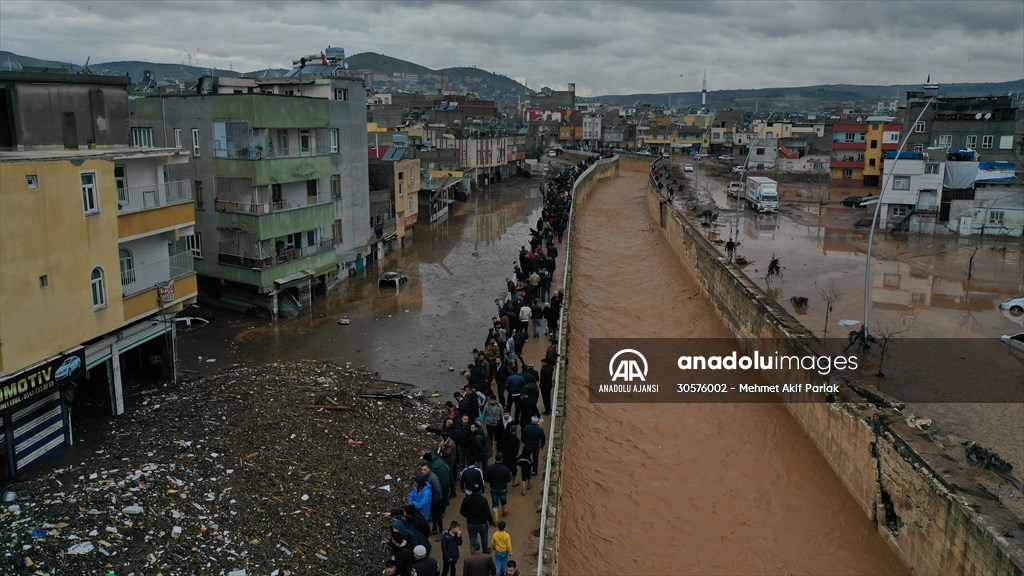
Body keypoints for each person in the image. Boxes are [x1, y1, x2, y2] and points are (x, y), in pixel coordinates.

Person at [460, 485, 495, 554]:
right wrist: (491, 522)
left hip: (471, 523)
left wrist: (468, 516)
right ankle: (485, 550)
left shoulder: (466, 499)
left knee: (473, 538)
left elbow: (462, 512)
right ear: (480, 491)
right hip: (482, 523)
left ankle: (473, 551)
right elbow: (488, 513)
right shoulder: (483, 500)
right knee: (484, 538)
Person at [484, 453, 513, 519]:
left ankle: (496, 520)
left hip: (493, 488)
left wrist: (491, 481)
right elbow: (509, 479)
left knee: (495, 505)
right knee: (504, 501)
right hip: (503, 488)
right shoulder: (505, 468)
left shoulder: (490, 467)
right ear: (502, 459)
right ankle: (505, 513)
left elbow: (485, 478)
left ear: (495, 459)